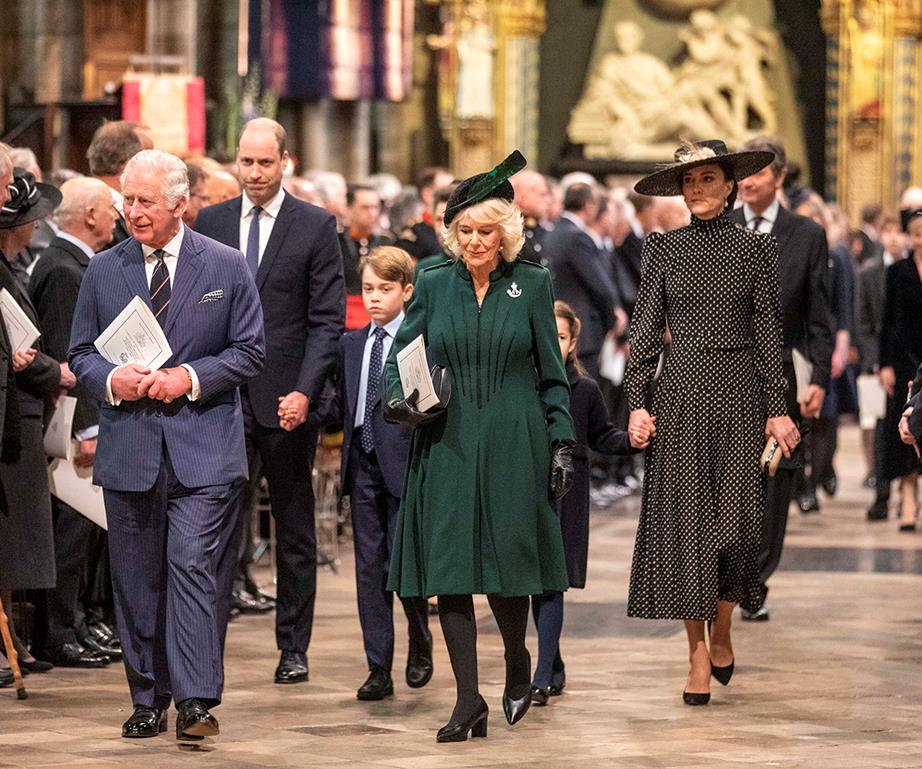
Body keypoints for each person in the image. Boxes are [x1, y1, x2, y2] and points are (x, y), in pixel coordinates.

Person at [68, 149, 265, 740]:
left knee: (194, 568)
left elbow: (250, 350)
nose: (132, 212)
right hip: (130, 448)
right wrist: (110, 379)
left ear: (180, 204)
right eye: (126, 200)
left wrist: (191, 376)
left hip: (203, 448)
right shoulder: (105, 270)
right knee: (136, 580)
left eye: (145, 201)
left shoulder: (226, 266)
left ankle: (198, 700)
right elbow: (80, 354)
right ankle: (148, 698)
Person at [383, 151, 575, 741]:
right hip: (448, 439)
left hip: (518, 439)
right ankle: (468, 699)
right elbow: (402, 356)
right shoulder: (435, 285)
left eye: (484, 231)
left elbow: (551, 372)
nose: (472, 241)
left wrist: (562, 439)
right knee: (452, 570)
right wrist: (399, 397)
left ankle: (518, 660)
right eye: (463, 230)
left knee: (508, 568)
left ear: (506, 232)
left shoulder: (533, 284)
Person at [626, 140, 796, 705]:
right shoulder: (663, 249)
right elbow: (645, 334)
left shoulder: (757, 250)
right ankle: (697, 654)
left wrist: (778, 408)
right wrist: (637, 402)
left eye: (707, 179)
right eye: (689, 181)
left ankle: (723, 624)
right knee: (685, 534)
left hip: (741, 396)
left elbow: (771, 334)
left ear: (729, 186)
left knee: (740, 527)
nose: (697, 189)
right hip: (679, 397)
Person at [194, 118, 346, 686]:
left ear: (286, 161)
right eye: (246, 162)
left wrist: (305, 390)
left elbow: (325, 321)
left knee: (293, 524)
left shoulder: (314, 225)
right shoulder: (209, 222)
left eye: (264, 162)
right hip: (220, 398)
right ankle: (206, 646)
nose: (254, 174)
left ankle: (293, 646)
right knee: (214, 525)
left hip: (286, 399)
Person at [318, 246, 431, 701]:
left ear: (407, 291)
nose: (374, 298)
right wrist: (300, 405)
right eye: (367, 289)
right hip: (361, 463)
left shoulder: (417, 340)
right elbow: (341, 405)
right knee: (369, 568)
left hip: (404, 464)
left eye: (385, 290)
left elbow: (428, 403)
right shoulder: (353, 343)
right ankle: (378, 666)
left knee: (406, 565)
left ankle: (420, 640)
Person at [729, 136, 833, 622]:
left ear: (780, 176)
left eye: (758, 172)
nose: (747, 181)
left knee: (775, 476)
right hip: (724, 374)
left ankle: (757, 578)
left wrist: (820, 379)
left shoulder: (806, 234)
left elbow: (818, 316)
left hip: (783, 373)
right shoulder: (721, 227)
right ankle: (730, 577)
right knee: (727, 477)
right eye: (742, 172)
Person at [530, 300, 641, 705]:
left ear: (574, 341)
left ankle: (541, 675)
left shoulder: (585, 388)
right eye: (546, 334)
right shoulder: (522, 384)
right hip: (525, 486)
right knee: (532, 579)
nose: (551, 342)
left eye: (560, 336)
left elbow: (603, 436)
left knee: (552, 579)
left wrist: (634, 441)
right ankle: (552, 663)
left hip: (567, 490)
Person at [29, 177, 120, 668]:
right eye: (109, 208)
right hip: (71, 425)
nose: (115, 217)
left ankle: (77, 623)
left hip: (80, 419)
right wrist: (89, 429)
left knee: (82, 531)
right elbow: (72, 357)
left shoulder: (73, 264)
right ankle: (58, 631)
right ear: (89, 215)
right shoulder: (65, 270)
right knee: (70, 530)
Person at [0, 168, 71, 682]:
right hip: (12, 415)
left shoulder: (15, 268)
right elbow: (16, 354)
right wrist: (55, 370)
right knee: (10, 539)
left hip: (22, 415)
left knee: (15, 543)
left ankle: (12, 639)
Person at [547, 182, 625, 379]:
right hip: (580, 331)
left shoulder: (551, 231)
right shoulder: (578, 237)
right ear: (589, 206)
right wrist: (613, 318)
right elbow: (599, 286)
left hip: (554, 325)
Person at [877, 212, 922, 530]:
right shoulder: (897, 271)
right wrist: (886, 364)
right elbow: (888, 320)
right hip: (906, 357)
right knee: (906, 427)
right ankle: (907, 497)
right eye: (916, 233)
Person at [859, 216, 906, 518]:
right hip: (881, 362)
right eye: (886, 231)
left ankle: (909, 495)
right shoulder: (869, 272)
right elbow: (863, 322)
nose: (892, 238)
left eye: (896, 232)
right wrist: (876, 360)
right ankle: (882, 493)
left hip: (910, 361)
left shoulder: (911, 271)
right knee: (881, 428)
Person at [86, 120, 153, 247]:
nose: (152, 168)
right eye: (147, 159)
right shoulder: (100, 213)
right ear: (129, 164)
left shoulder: (85, 201)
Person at [394, 167, 454, 260]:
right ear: (427, 194)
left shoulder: (459, 227)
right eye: (446, 189)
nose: (453, 194)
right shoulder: (414, 233)